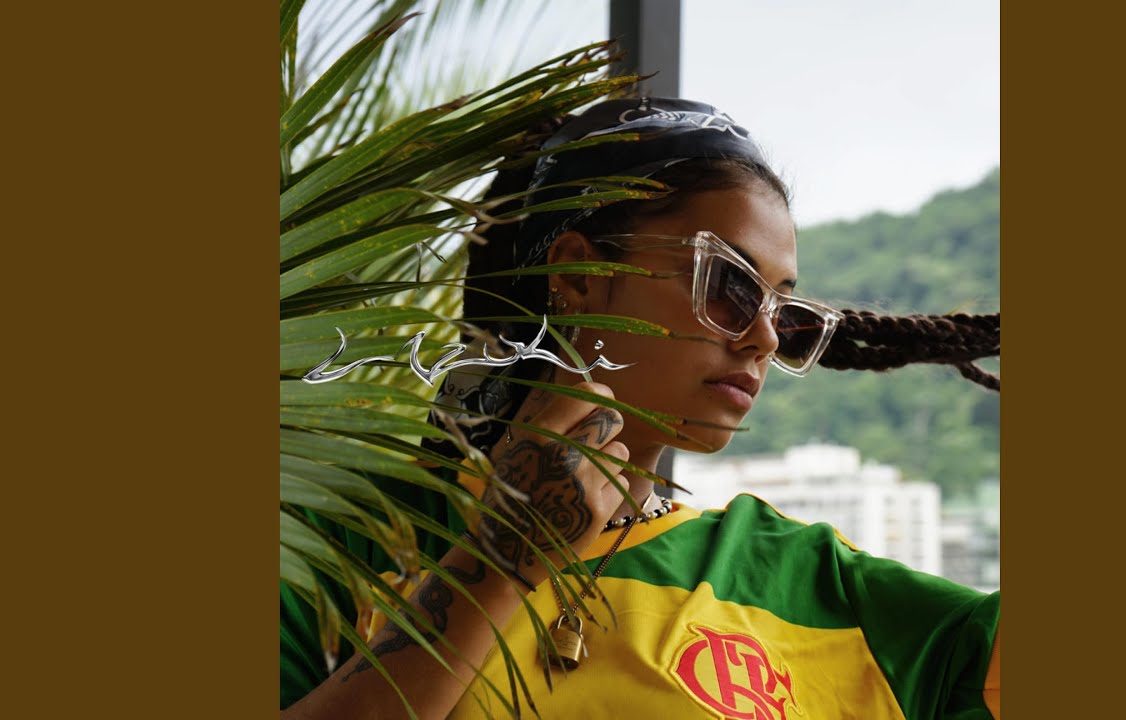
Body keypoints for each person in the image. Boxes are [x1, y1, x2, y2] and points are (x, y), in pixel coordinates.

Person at [281, 96, 1001, 719]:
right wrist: (500, 558)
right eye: (730, 285)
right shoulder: (340, 538)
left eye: (782, 310)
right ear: (578, 275)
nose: (761, 337)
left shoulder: (814, 586)